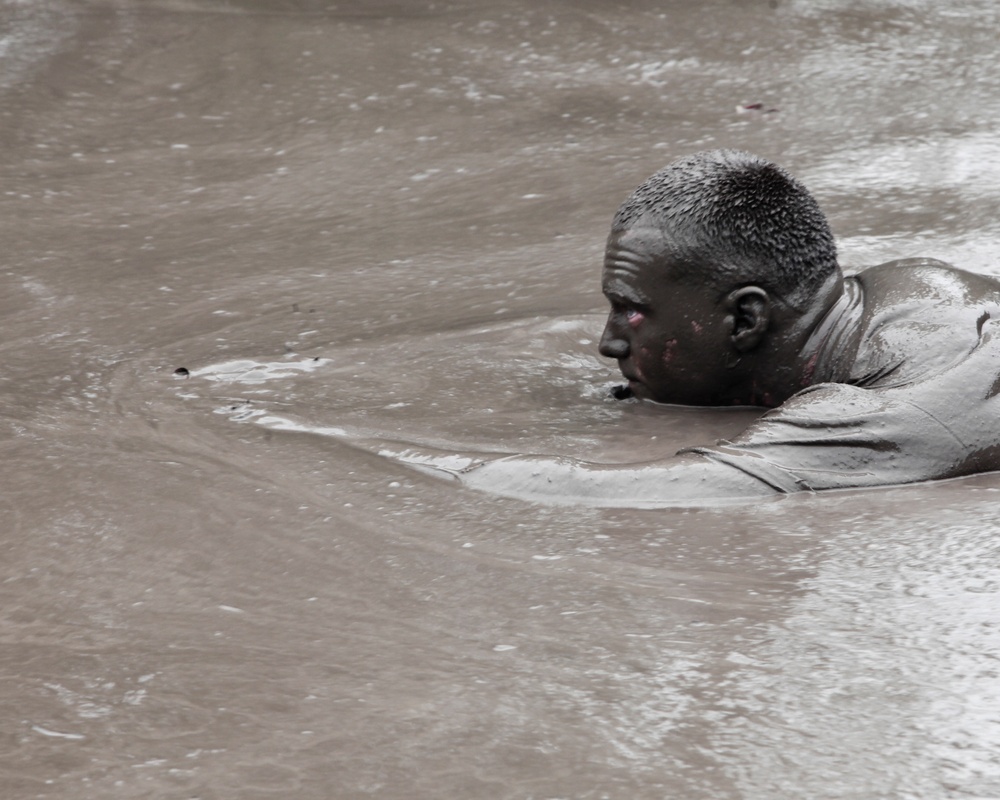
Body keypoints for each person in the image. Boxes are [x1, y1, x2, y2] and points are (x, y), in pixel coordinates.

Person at [450, 149, 1000, 506]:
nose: (608, 343)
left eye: (631, 311)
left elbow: (659, 491)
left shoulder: (896, 406)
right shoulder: (915, 282)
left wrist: (400, 459)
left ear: (745, 319)